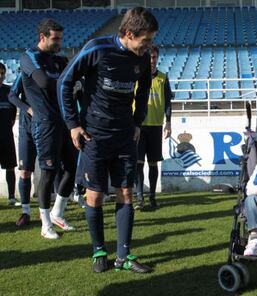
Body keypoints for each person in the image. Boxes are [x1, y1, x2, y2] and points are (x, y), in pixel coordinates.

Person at [57, 7, 158, 273]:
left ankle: (124, 256)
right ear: (128, 33)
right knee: (95, 195)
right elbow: (64, 83)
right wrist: (73, 125)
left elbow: (144, 91)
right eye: (145, 39)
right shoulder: (96, 48)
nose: (149, 45)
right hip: (95, 136)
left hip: (124, 135)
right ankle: (98, 249)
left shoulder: (142, 58)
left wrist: (137, 122)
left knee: (125, 192)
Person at [20, 18, 77, 239]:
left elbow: (73, 84)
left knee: (72, 168)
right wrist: (67, 84)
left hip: (65, 122)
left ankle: (57, 213)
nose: (59, 42)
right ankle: (45, 225)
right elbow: (43, 82)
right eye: (55, 38)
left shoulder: (60, 60)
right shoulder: (29, 57)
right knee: (48, 172)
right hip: (45, 124)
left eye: (61, 38)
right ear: (42, 37)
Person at [135, 45, 172, 210]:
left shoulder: (163, 78)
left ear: (157, 58)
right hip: (138, 126)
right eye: (149, 57)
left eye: (154, 57)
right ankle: (139, 197)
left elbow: (168, 102)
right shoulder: (135, 76)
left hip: (156, 125)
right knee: (138, 163)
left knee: (153, 163)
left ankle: (152, 197)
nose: (152, 60)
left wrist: (169, 122)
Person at [8, 72, 36, 226]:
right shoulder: (24, 73)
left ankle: (54, 212)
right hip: (27, 130)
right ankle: (25, 212)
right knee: (25, 170)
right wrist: (28, 109)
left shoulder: (50, 71)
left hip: (47, 128)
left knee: (54, 168)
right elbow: (12, 96)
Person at [0, 62, 18, 206]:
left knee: (10, 166)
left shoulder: (9, 90)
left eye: (2, 73)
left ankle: (12, 197)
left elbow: (13, 115)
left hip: (6, 135)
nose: (0, 76)